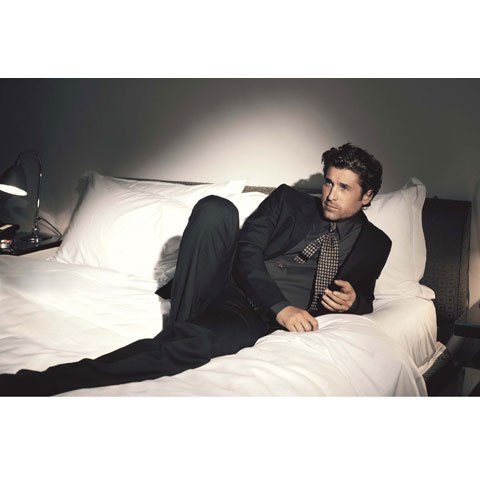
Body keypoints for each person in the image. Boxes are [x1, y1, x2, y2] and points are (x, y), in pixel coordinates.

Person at [0, 143, 392, 396]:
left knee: (190, 342)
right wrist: (281, 307)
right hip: (238, 290)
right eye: (328, 183)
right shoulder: (288, 201)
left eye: (344, 188)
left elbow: (366, 298)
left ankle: (178, 335)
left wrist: (353, 302)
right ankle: (31, 386)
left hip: (254, 319)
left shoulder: (376, 244)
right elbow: (246, 253)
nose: (330, 195)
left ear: (368, 195)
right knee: (216, 208)